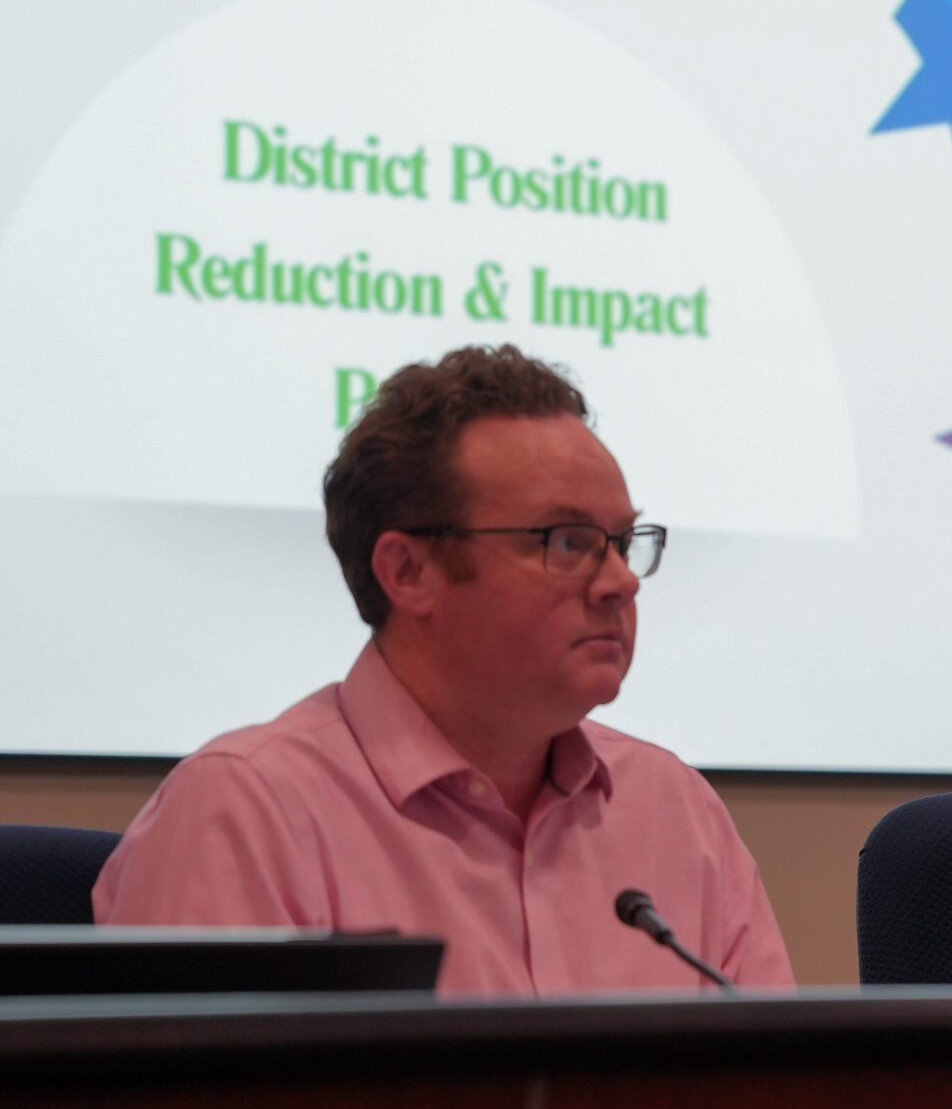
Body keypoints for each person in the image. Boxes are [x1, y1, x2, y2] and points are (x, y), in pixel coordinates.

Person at [95, 345, 793, 995]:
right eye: (569, 541)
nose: (620, 582)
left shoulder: (676, 811)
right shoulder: (248, 812)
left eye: (621, 541)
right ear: (409, 571)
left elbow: (777, 1104)